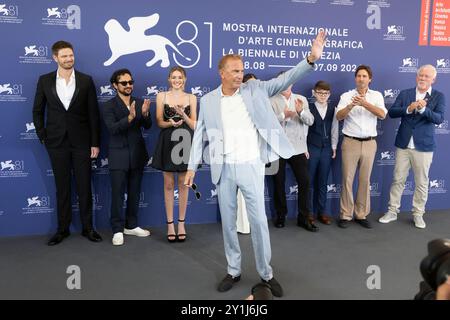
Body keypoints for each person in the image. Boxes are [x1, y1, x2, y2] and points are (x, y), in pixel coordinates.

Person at [185, 31, 327, 297]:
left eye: (242, 70)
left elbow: (287, 78)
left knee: (260, 223)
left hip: (251, 166)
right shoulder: (208, 101)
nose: (240, 75)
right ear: (222, 73)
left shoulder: (256, 89)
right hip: (224, 169)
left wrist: (310, 58)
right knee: (228, 224)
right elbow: (199, 136)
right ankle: (233, 270)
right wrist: (192, 167)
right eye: (235, 71)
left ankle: (266, 274)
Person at [32, 40, 102, 245]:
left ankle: (88, 228)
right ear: (55, 58)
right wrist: (43, 135)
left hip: (82, 142)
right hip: (56, 142)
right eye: (64, 56)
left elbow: (93, 115)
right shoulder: (44, 80)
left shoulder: (86, 80)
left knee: (84, 187)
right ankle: (62, 229)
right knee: (61, 187)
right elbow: (37, 111)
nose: (69, 59)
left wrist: (95, 143)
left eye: (71, 55)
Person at [379, 65, 445, 229]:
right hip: (403, 144)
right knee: (398, 179)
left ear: (433, 80)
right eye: (420, 75)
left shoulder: (439, 96)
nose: (422, 78)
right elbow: (392, 112)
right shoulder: (405, 93)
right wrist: (409, 108)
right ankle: (392, 211)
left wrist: (423, 109)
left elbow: (439, 118)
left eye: (426, 76)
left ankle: (418, 214)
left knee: (422, 182)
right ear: (416, 77)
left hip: (424, 146)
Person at [102, 69, 152, 246]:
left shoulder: (139, 102)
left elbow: (147, 126)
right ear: (115, 85)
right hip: (118, 155)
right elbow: (113, 129)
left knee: (135, 192)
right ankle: (117, 229)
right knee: (117, 194)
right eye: (124, 83)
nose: (128, 85)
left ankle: (131, 225)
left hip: (137, 154)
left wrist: (145, 114)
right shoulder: (108, 106)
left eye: (130, 82)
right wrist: (130, 117)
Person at [335, 65, 387, 229]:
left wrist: (364, 104)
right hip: (350, 142)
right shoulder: (346, 96)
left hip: (370, 143)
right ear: (355, 78)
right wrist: (351, 105)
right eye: (358, 76)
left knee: (364, 180)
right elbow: (338, 116)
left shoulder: (377, 95)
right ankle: (345, 215)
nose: (361, 79)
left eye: (364, 76)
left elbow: (382, 114)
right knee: (347, 180)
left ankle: (361, 214)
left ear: (370, 79)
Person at [152, 66, 197, 242]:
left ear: (185, 79)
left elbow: (193, 124)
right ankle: (170, 224)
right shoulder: (161, 96)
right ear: (169, 79)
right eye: (173, 77)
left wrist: (182, 115)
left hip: (185, 141)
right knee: (169, 184)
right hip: (167, 141)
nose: (177, 80)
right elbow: (159, 122)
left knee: (183, 184)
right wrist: (170, 122)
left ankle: (181, 223)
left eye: (180, 77)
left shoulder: (191, 98)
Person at [269, 76, 316, 231]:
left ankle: (303, 217)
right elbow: (267, 124)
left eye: (288, 82)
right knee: (278, 182)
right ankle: (280, 215)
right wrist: (283, 116)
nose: (286, 85)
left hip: (298, 148)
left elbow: (310, 121)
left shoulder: (301, 99)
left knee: (305, 181)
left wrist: (301, 111)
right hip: (278, 148)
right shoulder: (271, 100)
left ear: (293, 83)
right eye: (282, 82)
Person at [307, 81, 338, 225]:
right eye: (320, 92)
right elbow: (303, 129)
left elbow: (334, 128)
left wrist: (334, 146)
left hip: (326, 149)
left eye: (325, 93)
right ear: (314, 93)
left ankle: (322, 212)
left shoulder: (333, 109)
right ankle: (308, 213)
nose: (322, 96)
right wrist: (304, 148)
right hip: (311, 147)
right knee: (309, 181)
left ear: (329, 94)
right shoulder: (309, 107)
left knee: (323, 182)